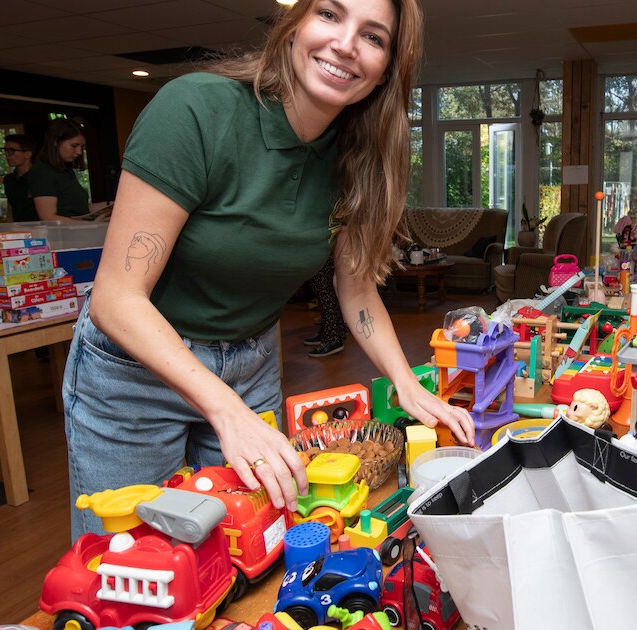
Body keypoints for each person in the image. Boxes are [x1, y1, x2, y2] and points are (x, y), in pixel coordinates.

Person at [62, 0, 475, 538]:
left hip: (249, 363)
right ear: (293, 26)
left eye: (373, 37)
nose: (347, 44)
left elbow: (356, 291)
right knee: (131, 559)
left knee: (248, 544)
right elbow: (117, 297)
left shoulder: (358, 157)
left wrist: (405, 382)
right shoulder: (196, 109)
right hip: (135, 373)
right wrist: (226, 412)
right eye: (330, 14)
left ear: (385, 73)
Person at [26, 118, 110, 221]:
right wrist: (90, 225)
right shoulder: (42, 171)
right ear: (55, 142)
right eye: (74, 146)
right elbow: (48, 217)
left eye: (82, 147)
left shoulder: (66, 170)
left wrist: (111, 205)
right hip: (61, 235)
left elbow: (78, 209)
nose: (79, 152)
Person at [304, 254, 347, 357]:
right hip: (325, 247)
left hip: (325, 246)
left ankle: (332, 338)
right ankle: (332, 332)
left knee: (323, 287)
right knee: (322, 286)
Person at [1, 133, 36, 222]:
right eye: (5, 151)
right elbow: (10, 212)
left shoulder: (40, 177)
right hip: (18, 231)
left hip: (40, 230)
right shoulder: (9, 180)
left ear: (27, 154)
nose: (7, 155)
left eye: (11, 151)